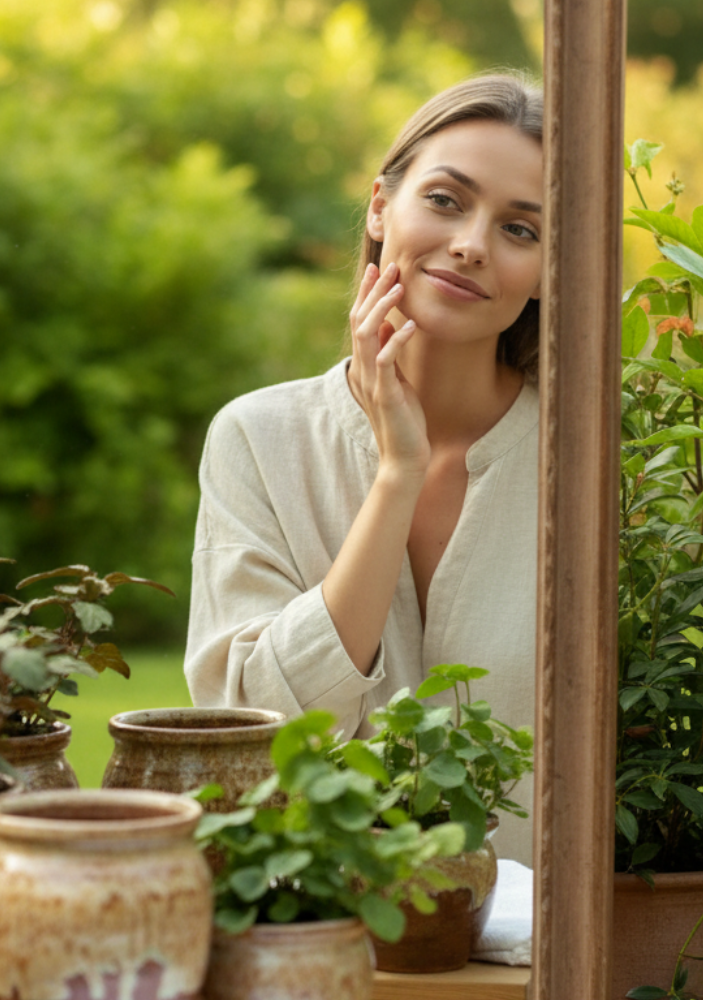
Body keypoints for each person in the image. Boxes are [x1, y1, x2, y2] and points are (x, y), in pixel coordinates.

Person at [184, 74, 542, 864]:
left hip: (536, 956)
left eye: (521, 230)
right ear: (382, 207)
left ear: (552, 269)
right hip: (308, 936)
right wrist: (396, 475)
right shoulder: (257, 437)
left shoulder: (581, 459)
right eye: (447, 201)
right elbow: (246, 728)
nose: (473, 244)